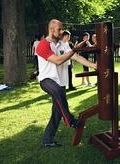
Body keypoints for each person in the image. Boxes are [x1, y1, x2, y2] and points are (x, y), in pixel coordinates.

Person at [36, 19, 97, 147]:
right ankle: (70, 120)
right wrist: (74, 50)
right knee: (58, 92)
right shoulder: (42, 45)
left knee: (57, 111)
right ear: (51, 30)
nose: (62, 31)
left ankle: (48, 139)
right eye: (59, 29)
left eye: (62, 28)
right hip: (47, 80)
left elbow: (77, 57)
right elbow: (58, 60)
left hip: (61, 82)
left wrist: (94, 65)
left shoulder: (64, 45)